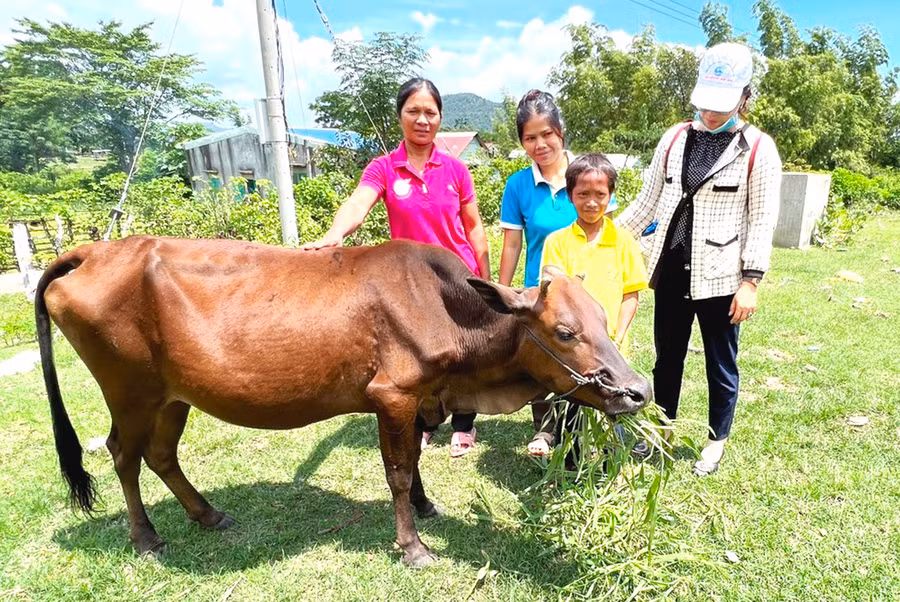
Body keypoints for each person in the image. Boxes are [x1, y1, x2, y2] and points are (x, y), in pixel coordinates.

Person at [616, 42, 782, 476]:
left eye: (722, 105)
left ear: (745, 97)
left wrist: (751, 281)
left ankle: (715, 441)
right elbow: (647, 201)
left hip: (721, 277)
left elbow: (762, 220)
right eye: (706, 103)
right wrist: (602, 237)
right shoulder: (674, 138)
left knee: (719, 363)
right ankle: (661, 429)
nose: (711, 113)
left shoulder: (758, 151)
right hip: (670, 269)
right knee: (666, 356)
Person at [303, 77, 490, 457]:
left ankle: (464, 424)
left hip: (457, 276)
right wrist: (334, 234)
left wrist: (483, 280)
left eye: (430, 112)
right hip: (411, 284)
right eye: (414, 111)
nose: (423, 120)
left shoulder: (456, 169)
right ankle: (422, 422)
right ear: (400, 115)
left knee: (464, 353)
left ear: (440, 118)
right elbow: (359, 202)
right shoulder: (385, 168)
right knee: (416, 356)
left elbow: (474, 226)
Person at [496, 90, 619, 457]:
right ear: (521, 141)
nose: (540, 144)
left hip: (587, 293)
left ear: (561, 132)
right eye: (530, 137)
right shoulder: (518, 185)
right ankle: (545, 430)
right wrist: (503, 292)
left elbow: (607, 233)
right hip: (541, 291)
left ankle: (590, 430)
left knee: (587, 358)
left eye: (546, 134)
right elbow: (513, 244)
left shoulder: (587, 176)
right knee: (542, 362)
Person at [540, 153, 648, 467]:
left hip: (612, 347)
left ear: (610, 196)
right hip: (574, 352)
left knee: (616, 404)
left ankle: (613, 460)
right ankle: (570, 460)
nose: (591, 202)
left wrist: (619, 334)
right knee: (572, 405)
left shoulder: (624, 241)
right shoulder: (557, 242)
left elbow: (631, 293)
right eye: (583, 194)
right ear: (570, 195)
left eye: (600, 194)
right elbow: (553, 296)